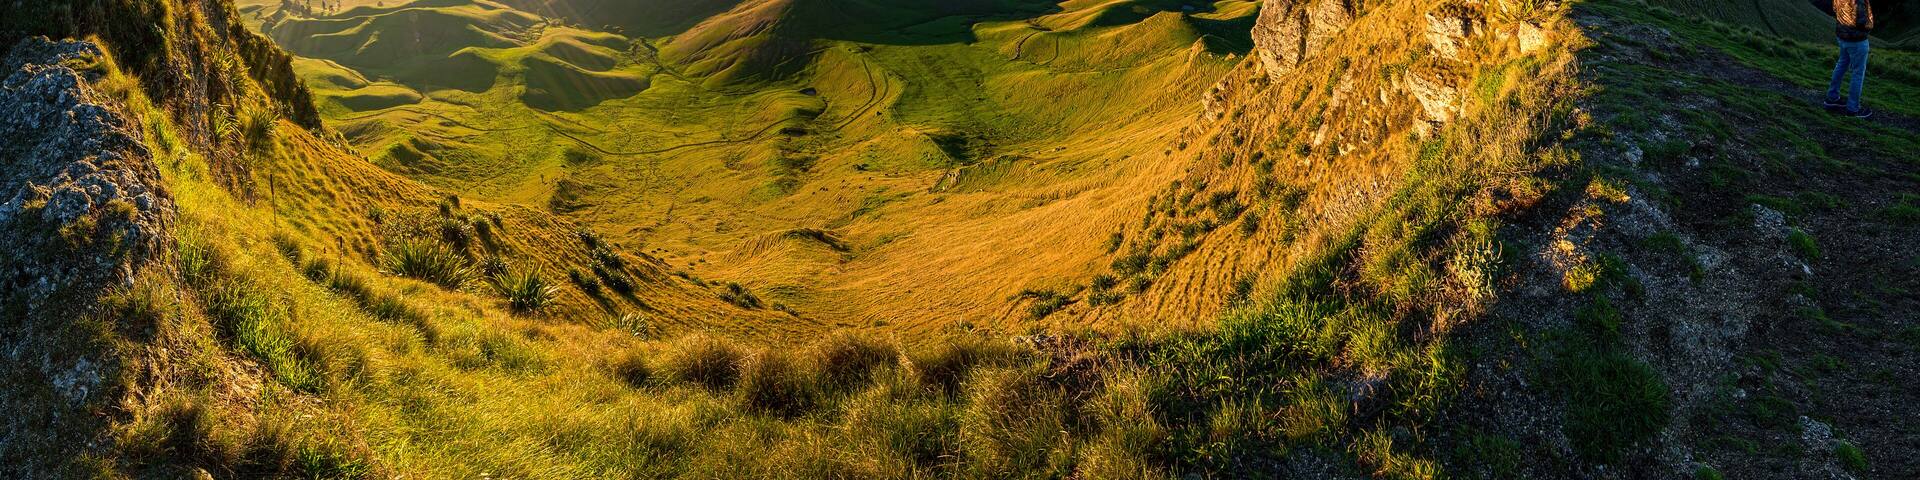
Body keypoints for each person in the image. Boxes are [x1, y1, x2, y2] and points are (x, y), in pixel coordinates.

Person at [1825, 0, 1875, 118]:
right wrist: (1869, 27)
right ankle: (1853, 109)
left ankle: (1832, 98)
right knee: (1858, 72)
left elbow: (1835, 10)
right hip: (1857, 40)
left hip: (1842, 36)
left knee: (1841, 64)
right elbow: (1862, 21)